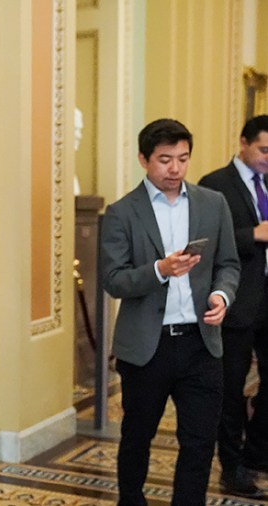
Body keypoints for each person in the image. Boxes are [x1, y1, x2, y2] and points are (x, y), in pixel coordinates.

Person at [100, 118, 240, 506]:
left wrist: (221, 297)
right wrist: (160, 269)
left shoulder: (213, 204)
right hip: (148, 348)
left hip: (201, 344)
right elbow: (113, 280)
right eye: (164, 160)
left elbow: (228, 263)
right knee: (137, 438)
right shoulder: (122, 212)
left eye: (182, 158)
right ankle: (131, 500)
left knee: (198, 441)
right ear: (144, 159)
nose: (174, 169)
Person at [197, 114, 268, 499]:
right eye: (264, 150)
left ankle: (258, 452)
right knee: (230, 389)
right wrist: (253, 235)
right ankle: (233, 467)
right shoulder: (215, 185)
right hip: (237, 302)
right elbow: (205, 243)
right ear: (243, 142)